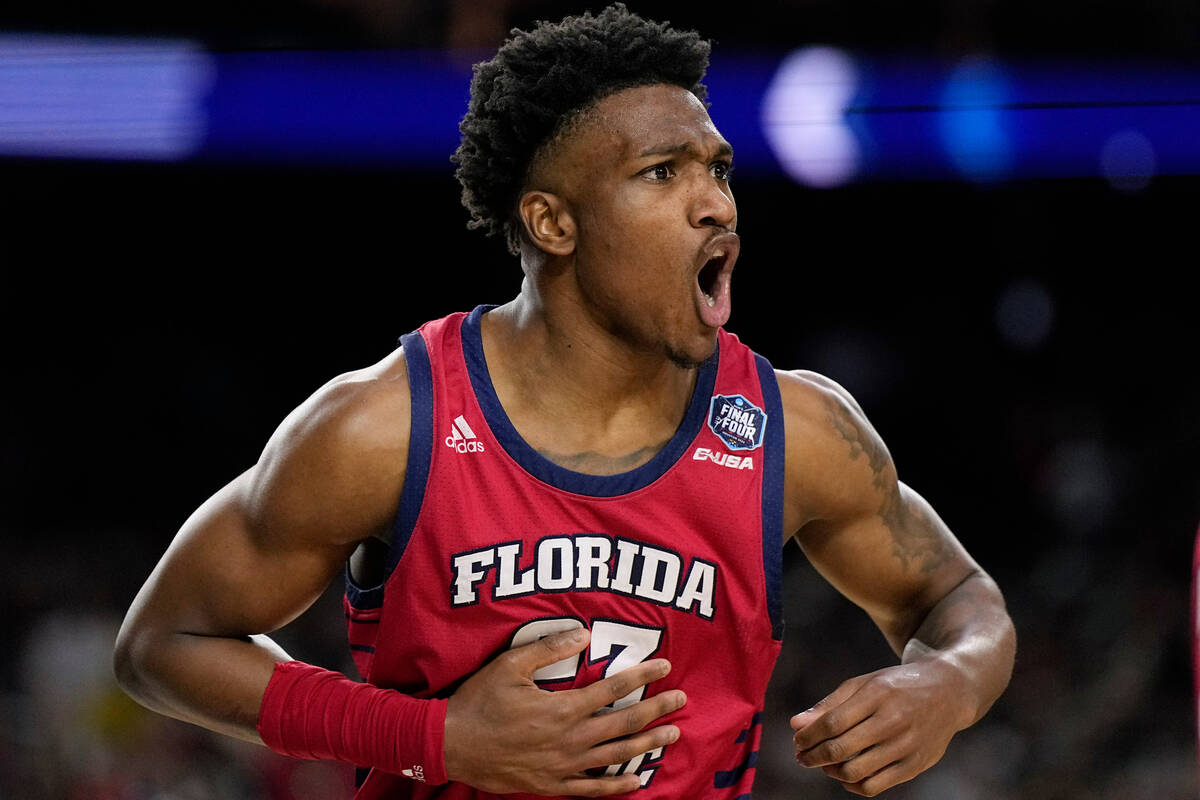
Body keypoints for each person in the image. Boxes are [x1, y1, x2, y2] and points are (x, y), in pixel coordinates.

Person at [113, 4, 1016, 798]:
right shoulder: (388, 426)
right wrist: (438, 741)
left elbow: (961, 603)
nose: (716, 206)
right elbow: (162, 645)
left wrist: (947, 686)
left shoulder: (795, 431)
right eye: (664, 173)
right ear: (553, 222)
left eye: (720, 170)